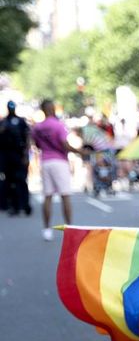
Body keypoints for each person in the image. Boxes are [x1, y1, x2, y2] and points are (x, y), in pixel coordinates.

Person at [32, 100, 80, 240]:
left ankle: (47, 229)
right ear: (52, 108)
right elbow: (65, 144)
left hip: (45, 161)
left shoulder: (37, 127)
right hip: (59, 161)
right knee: (65, 195)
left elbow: (37, 145)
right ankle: (70, 229)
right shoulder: (59, 125)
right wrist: (80, 151)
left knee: (47, 196)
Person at [0, 101, 32, 216]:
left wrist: (26, 155)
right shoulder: (4, 122)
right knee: (9, 181)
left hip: (19, 155)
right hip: (7, 157)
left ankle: (25, 204)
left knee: (21, 180)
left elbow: (27, 138)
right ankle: (14, 205)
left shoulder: (21, 122)